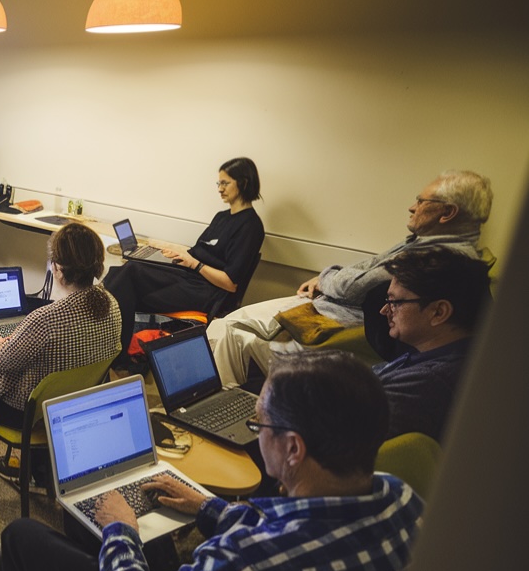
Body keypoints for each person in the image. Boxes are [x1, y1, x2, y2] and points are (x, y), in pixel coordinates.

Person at [0, 350, 424, 571]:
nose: (257, 435)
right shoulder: (404, 502)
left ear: (294, 449)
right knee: (149, 540)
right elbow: (290, 529)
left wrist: (121, 532)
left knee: (23, 536)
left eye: (260, 425)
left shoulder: (249, 562)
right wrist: (210, 509)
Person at [209, 170, 493, 387]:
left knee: (223, 329)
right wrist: (327, 278)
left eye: (421, 201)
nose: (412, 207)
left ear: (448, 212)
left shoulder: (433, 257)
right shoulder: (424, 241)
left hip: (331, 319)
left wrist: (326, 278)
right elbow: (364, 268)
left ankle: (218, 414)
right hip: (327, 303)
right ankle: (229, 406)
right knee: (230, 334)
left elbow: (354, 289)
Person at [0, 222, 121, 485]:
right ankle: (37, 469)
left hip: (25, 413)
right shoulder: (111, 304)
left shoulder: (45, 320)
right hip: (74, 402)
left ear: (58, 269)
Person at [102, 157, 265, 353]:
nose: (220, 188)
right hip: (189, 277)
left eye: (225, 183)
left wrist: (194, 264)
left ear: (244, 183)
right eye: (218, 183)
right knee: (124, 271)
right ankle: (112, 345)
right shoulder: (222, 217)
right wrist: (174, 252)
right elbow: (199, 251)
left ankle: (114, 351)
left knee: (129, 277)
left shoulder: (250, 226)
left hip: (207, 291)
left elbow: (230, 283)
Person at [373, 246, 490, 443]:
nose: (384, 310)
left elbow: (332, 438)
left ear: (438, 312)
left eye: (395, 302)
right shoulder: (453, 352)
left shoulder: (425, 384)